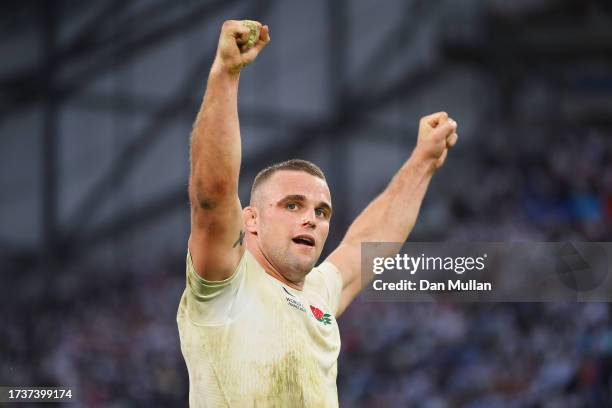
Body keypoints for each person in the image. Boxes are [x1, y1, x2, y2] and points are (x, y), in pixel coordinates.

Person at [177, 19, 458, 407]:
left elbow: (367, 241)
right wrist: (226, 74)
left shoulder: (318, 293)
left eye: (322, 212)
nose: (312, 218)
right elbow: (212, 196)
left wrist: (423, 162)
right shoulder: (225, 282)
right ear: (251, 220)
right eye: (292, 205)